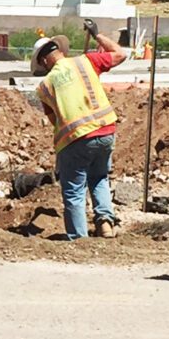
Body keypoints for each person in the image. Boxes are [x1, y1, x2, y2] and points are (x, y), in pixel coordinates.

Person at [31, 20, 127, 240]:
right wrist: (97, 35)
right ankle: (104, 223)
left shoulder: (44, 86)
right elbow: (120, 54)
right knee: (99, 178)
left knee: (74, 189)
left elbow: (55, 120)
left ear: (45, 61)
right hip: (105, 130)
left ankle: (79, 238)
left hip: (74, 140)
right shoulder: (85, 62)